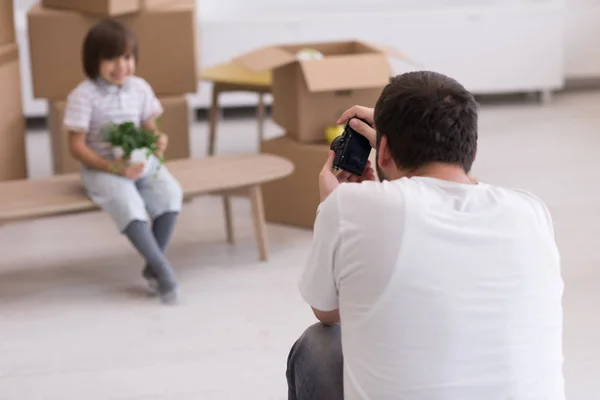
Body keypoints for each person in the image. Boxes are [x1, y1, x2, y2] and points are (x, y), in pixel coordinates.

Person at [286, 71, 564, 400]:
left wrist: (332, 206)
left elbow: (328, 311)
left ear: (383, 151)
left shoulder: (350, 208)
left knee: (319, 346)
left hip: (377, 175)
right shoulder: (530, 211)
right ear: (474, 149)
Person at [64, 20, 183, 305]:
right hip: (102, 168)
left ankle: (151, 265)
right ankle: (164, 271)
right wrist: (115, 168)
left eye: (127, 57)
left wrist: (157, 140)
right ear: (94, 61)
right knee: (130, 206)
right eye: (111, 58)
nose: (121, 66)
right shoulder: (83, 96)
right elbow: (76, 146)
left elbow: (149, 124)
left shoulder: (140, 88)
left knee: (170, 196)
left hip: (140, 161)